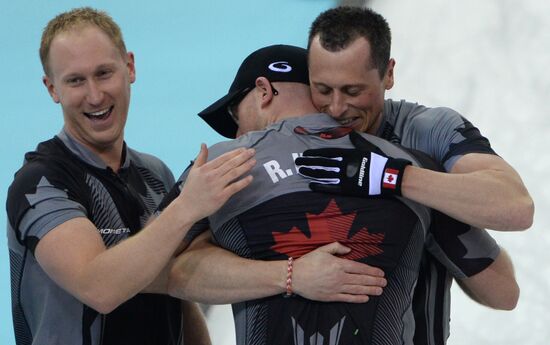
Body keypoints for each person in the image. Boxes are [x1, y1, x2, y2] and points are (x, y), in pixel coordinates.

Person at [166, 44, 515, 345]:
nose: (239, 132)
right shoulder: (415, 160)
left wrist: (280, 274)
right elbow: (502, 290)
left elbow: (150, 273)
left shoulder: (221, 164)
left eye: (234, 115)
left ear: (263, 90)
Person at [5, 7, 255, 345]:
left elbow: (176, 298)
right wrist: (186, 208)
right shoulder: (39, 183)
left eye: (104, 73)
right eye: (75, 80)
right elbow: (99, 288)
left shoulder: (154, 174)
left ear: (130, 67)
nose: (95, 96)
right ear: (52, 89)